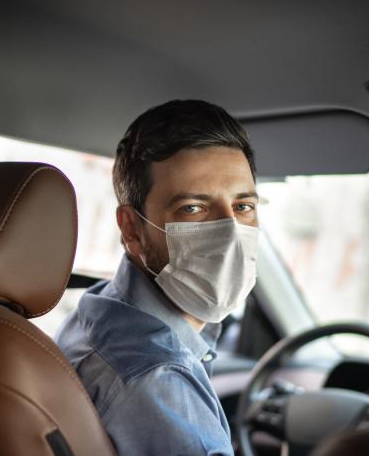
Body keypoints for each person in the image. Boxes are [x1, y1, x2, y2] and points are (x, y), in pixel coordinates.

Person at [56, 99, 259, 455]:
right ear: (132, 229)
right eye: (193, 209)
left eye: (243, 206)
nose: (229, 232)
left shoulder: (103, 305)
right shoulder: (157, 378)